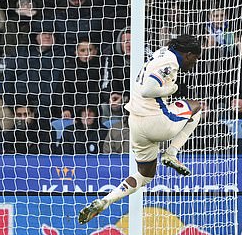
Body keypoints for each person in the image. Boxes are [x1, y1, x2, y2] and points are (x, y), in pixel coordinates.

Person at [78, 35, 203, 224]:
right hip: (156, 123)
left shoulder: (162, 54)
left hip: (135, 123)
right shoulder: (170, 63)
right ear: (187, 54)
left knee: (145, 175)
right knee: (196, 107)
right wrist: (172, 88)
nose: (195, 63)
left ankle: (106, 200)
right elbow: (148, 90)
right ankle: (171, 153)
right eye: (195, 58)